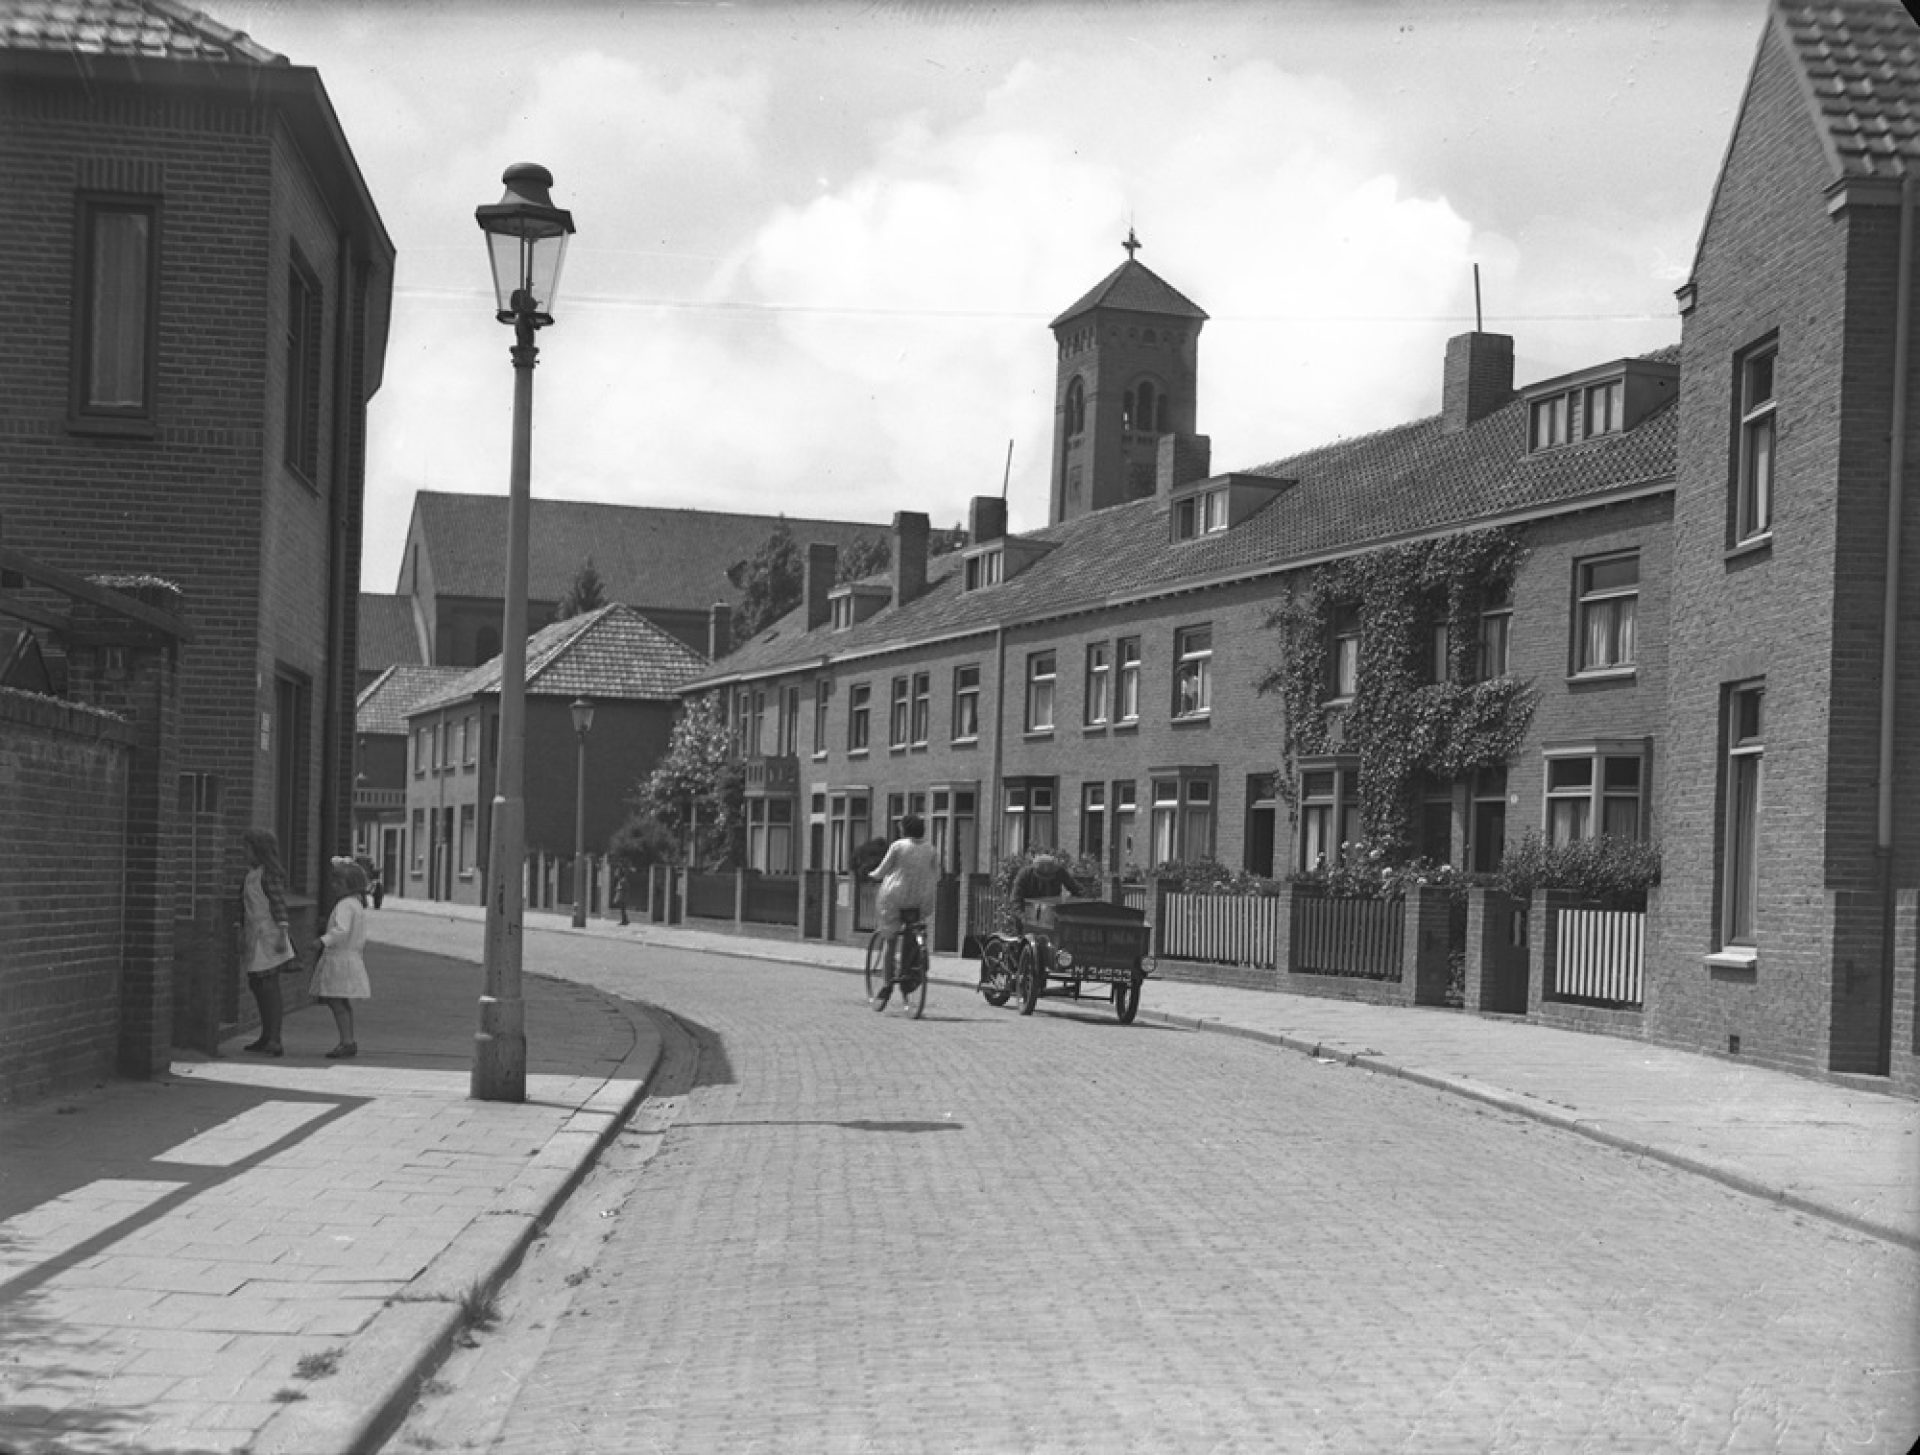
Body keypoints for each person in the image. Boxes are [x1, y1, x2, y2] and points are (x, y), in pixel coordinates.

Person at [866, 813, 939, 1010]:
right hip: (920, 900)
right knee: (912, 934)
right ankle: (908, 974)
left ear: (905, 829)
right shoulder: (931, 849)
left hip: (895, 897)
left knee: (890, 939)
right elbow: (937, 875)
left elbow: (882, 870)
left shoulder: (898, 846)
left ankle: (887, 984)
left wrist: (871, 875)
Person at [238, 829, 298, 1057]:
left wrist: (282, 933)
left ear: (258, 850)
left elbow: (278, 904)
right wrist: (240, 930)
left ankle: (275, 1038)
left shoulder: (268, 875)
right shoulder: (250, 875)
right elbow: (243, 906)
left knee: (269, 985)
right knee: (257, 984)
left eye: (247, 848)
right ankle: (265, 1035)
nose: (244, 852)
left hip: (270, 935)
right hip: (254, 934)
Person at [310, 858, 372, 1059]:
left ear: (350, 885)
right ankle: (348, 1039)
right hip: (350, 957)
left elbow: (342, 930)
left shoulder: (345, 905)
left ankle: (347, 1041)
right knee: (340, 1001)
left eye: (338, 882)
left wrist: (323, 940)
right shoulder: (356, 904)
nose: (333, 886)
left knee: (336, 1001)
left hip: (340, 958)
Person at [1009, 851, 1085, 932]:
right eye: (1043, 878)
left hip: (1051, 916)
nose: (1046, 881)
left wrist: (1082, 899)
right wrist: (1021, 915)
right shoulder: (1024, 874)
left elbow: (1075, 888)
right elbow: (1015, 900)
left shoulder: (1060, 872)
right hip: (1028, 915)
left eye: (1049, 877)